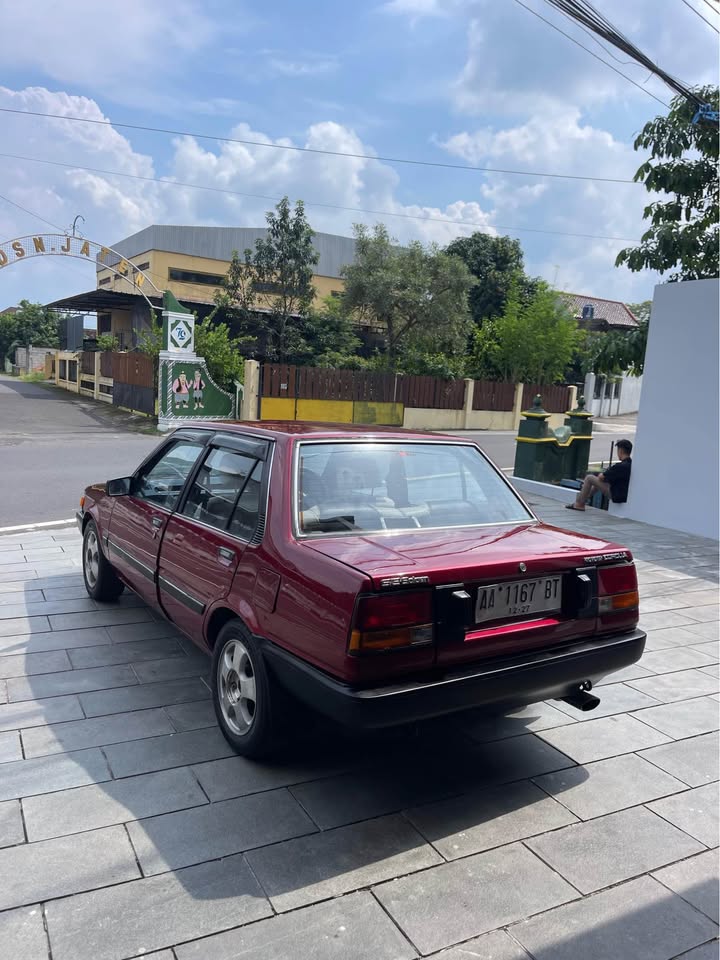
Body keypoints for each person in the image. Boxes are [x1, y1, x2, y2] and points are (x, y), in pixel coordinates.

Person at [566, 439, 633, 511]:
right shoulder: (631, 464)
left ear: (621, 451)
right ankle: (584, 500)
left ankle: (579, 504)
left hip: (617, 495)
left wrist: (602, 474)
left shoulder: (620, 466)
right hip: (624, 493)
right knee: (597, 483)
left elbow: (602, 477)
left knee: (590, 478)